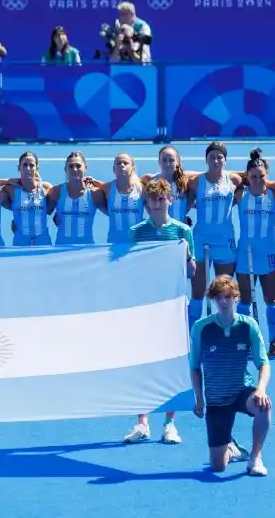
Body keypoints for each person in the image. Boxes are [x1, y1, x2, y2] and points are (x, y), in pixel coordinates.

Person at [122, 178, 195, 445]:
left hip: (172, 308)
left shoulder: (182, 232)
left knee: (171, 366)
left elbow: (191, 272)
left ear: (170, 201)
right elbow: (129, 269)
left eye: (162, 199)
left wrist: (186, 257)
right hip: (144, 308)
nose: (158, 203)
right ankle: (142, 422)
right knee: (142, 364)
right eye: (153, 200)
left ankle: (169, 423)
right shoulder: (136, 232)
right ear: (147, 204)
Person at [190, 275, 271, 477]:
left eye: (227, 297)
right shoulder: (201, 328)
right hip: (216, 400)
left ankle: (255, 458)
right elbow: (194, 367)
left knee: (264, 405)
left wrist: (261, 389)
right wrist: (199, 398)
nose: (223, 302)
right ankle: (231, 447)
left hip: (242, 391)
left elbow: (264, 364)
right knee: (218, 467)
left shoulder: (248, 325)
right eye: (218, 298)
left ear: (236, 297)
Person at [185, 142, 244, 329]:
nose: (216, 160)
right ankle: (193, 331)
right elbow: (184, 199)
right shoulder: (196, 181)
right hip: (201, 238)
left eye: (220, 157)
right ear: (206, 160)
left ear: (225, 160)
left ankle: (227, 326)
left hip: (224, 240)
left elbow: (256, 180)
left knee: (225, 289)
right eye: (212, 157)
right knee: (198, 289)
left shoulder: (234, 180)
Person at [235, 149, 275, 356]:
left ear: (267, 176)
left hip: (269, 253)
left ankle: (274, 340)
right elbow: (224, 177)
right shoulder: (240, 194)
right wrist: (243, 177)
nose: (257, 180)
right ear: (247, 177)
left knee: (271, 298)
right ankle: (245, 339)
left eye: (262, 176)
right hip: (245, 255)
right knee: (245, 300)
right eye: (252, 176)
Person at [0, 152, 53, 246]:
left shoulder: (46, 188)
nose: (28, 168)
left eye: (31, 165)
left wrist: (58, 217)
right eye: (24, 165)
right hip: (20, 243)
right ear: (19, 168)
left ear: (37, 168)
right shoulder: (10, 189)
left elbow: (60, 205)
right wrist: (6, 180)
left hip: (43, 242)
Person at [90, 153, 145, 243]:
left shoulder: (141, 189)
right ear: (114, 169)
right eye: (118, 163)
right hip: (114, 245)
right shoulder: (108, 188)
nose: (122, 165)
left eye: (125, 163)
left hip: (136, 245)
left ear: (132, 168)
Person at [47, 151, 98, 245]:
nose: (75, 169)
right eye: (71, 166)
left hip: (88, 252)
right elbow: (39, 210)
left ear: (85, 168)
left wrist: (97, 182)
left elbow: (113, 212)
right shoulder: (56, 192)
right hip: (61, 251)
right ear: (65, 169)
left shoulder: (94, 194)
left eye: (78, 166)